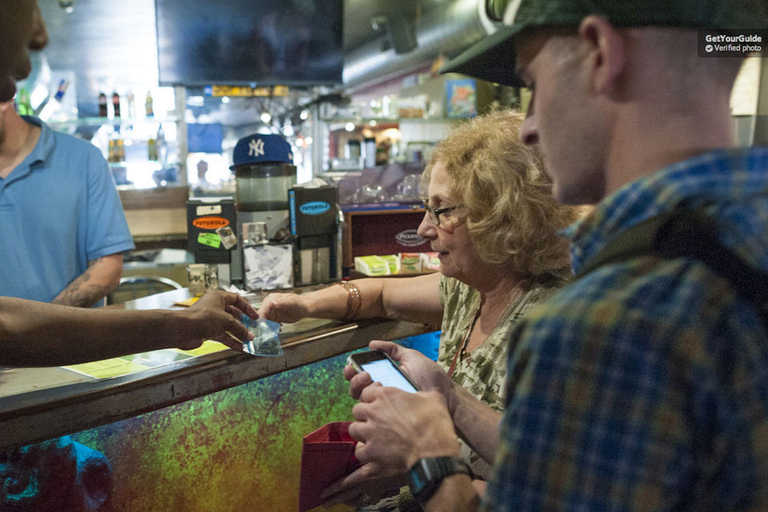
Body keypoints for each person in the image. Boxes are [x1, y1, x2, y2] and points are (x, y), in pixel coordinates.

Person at [344, 0, 768, 510]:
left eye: (532, 87)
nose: (527, 128)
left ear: (599, 54)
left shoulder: (601, 322)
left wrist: (427, 454)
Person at [258, 110, 582, 509]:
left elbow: (548, 480)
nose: (425, 228)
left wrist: (419, 462)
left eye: (442, 210)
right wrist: (305, 304)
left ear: (501, 213)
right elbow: (378, 294)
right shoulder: (469, 287)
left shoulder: (561, 319)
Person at [0, 0, 258, 367]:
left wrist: (188, 323)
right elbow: (8, 327)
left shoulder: (81, 158)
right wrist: (185, 323)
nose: (41, 35)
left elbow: (102, 270)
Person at [0, 101, 135, 306]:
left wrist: (41, 328)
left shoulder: (83, 160)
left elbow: (107, 268)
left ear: (3, 100)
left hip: (63, 336)